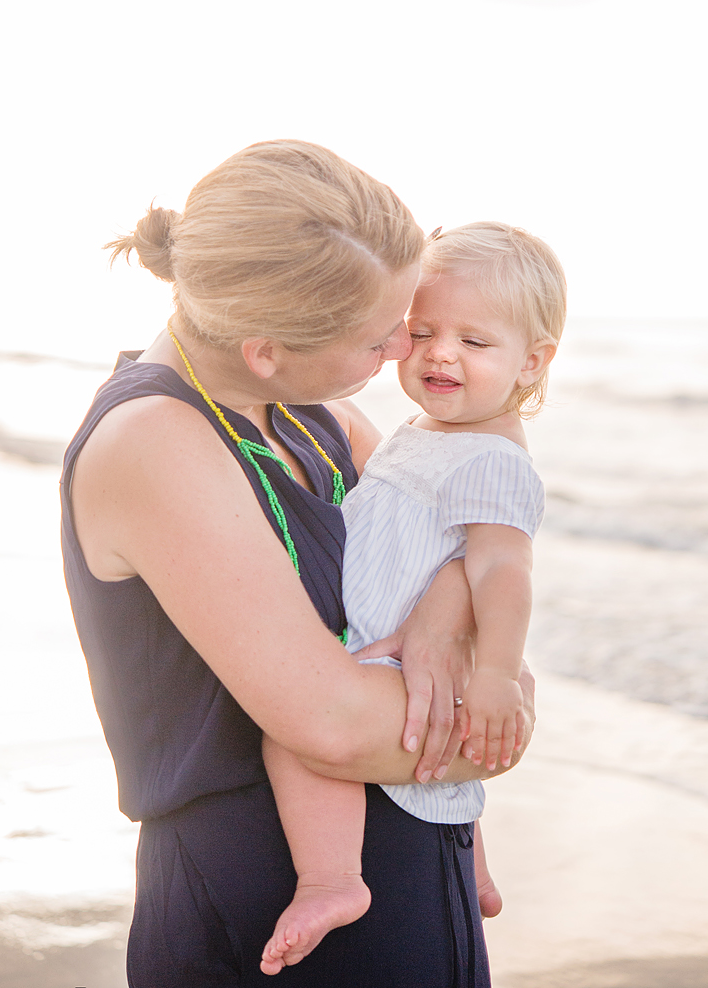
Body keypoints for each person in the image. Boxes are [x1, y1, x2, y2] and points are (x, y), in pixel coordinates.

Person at [60, 140, 535, 987]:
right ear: (266, 347)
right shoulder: (156, 441)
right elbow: (336, 724)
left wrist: (442, 613)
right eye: (377, 333)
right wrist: (501, 727)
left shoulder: (305, 413)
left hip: (416, 870)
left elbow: (451, 539)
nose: (401, 347)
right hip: (267, 918)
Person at [261, 222, 566, 974]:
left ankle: (332, 879)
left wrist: (497, 671)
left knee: (294, 735)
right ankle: (474, 868)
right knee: (436, 762)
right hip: (389, 637)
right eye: (423, 329)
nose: (440, 352)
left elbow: (502, 570)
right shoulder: (430, 429)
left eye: (474, 340)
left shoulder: (493, 458)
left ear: (533, 360)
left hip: (390, 655)